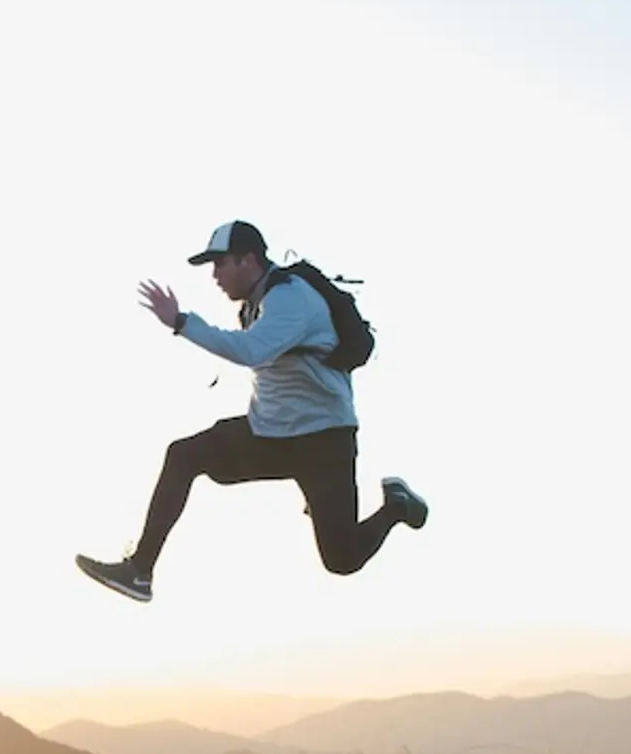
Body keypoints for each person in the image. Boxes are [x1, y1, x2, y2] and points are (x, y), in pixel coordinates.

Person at [76, 220, 427, 602]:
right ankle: (139, 571)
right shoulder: (256, 303)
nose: (214, 276)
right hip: (271, 435)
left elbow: (252, 351)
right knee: (184, 455)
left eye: (220, 264)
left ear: (248, 260)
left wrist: (181, 322)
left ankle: (395, 506)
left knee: (342, 560)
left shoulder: (290, 297)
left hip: (323, 443)